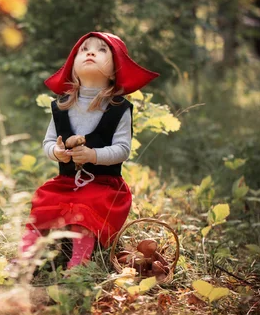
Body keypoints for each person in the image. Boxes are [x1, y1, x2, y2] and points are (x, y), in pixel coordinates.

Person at [19, 31, 159, 269]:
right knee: (43, 201)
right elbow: (48, 142)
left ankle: (79, 264)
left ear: (116, 69)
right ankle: (24, 259)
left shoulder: (118, 108)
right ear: (73, 66)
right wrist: (58, 152)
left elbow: (123, 149)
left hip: (104, 185)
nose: (91, 52)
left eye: (102, 50)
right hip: (67, 181)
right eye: (84, 50)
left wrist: (94, 155)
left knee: (86, 206)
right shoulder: (62, 105)